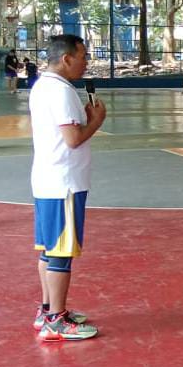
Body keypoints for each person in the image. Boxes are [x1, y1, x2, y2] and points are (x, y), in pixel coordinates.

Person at [30, 34, 106, 341]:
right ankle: (56, 322)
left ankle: (48, 310)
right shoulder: (61, 92)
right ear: (66, 58)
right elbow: (73, 139)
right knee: (61, 252)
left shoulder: (42, 86)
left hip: (48, 179)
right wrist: (96, 121)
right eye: (84, 56)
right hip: (64, 184)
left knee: (49, 250)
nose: (86, 62)